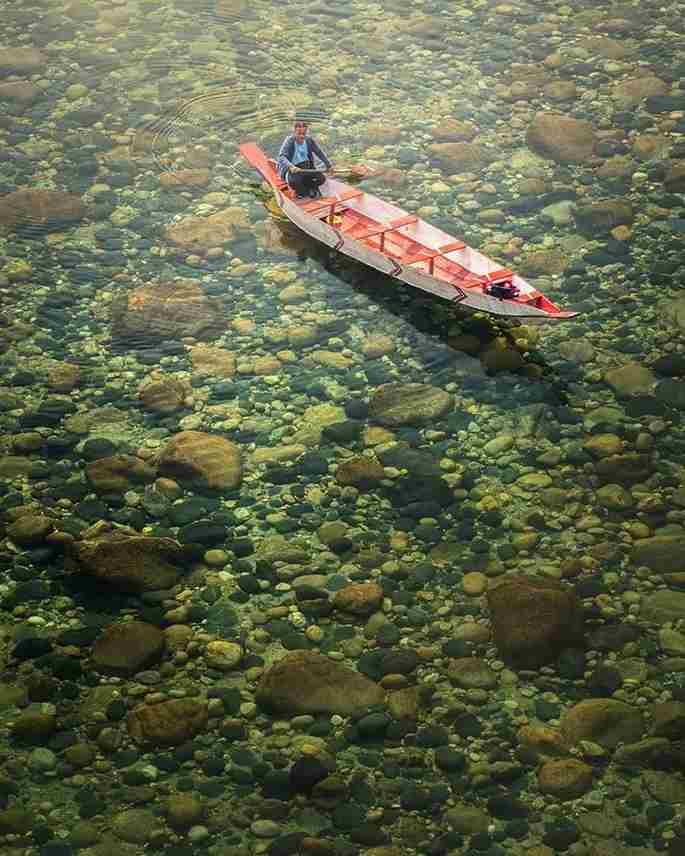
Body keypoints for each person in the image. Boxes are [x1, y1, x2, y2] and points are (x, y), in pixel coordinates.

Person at [277, 119, 332, 199]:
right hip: (293, 170)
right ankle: (302, 192)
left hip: (306, 167)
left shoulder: (309, 140)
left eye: (304, 134)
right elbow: (282, 157)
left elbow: (319, 152)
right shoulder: (289, 141)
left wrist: (329, 165)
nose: (302, 136)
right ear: (294, 132)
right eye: (299, 134)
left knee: (322, 179)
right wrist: (291, 166)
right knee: (294, 182)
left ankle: (310, 187)